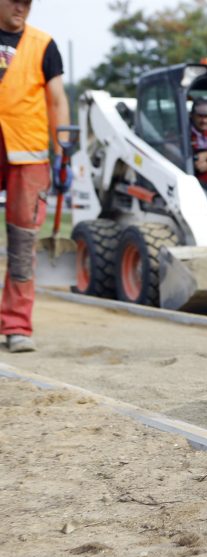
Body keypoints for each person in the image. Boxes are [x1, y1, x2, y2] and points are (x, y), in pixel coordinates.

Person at [0, 0, 70, 353]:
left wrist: (63, 153)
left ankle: (16, 325)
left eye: (27, 2)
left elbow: (57, 100)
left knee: (24, 241)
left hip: (28, 153)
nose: (21, 7)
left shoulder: (44, 44)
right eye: (14, 0)